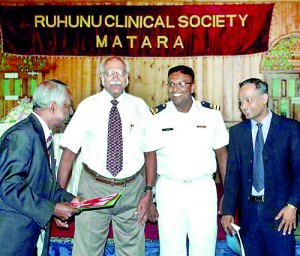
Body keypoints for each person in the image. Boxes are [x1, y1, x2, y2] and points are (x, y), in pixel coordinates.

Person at [57, 56, 161, 256]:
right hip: (94, 189)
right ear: (101, 78)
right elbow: (68, 154)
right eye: (110, 73)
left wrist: (149, 193)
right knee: (86, 251)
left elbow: (150, 153)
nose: (115, 77)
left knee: (133, 252)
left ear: (127, 79)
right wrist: (59, 195)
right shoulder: (87, 107)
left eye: (120, 72)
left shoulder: (140, 107)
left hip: (132, 190)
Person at [150, 65, 228, 256]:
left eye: (182, 84)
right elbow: (149, 157)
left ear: (192, 87)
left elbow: (222, 155)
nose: (175, 89)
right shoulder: (156, 117)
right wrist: (149, 194)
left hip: (202, 189)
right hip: (169, 189)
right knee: (170, 249)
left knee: (204, 247)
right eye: (171, 84)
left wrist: (228, 191)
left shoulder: (211, 115)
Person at [0, 79, 80, 256]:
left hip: (29, 234)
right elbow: (10, 187)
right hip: (12, 237)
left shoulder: (39, 134)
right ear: (52, 107)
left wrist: (68, 198)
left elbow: (42, 184)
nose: (71, 111)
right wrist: (52, 209)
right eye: (67, 106)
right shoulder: (22, 136)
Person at [221, 78, 300, 256]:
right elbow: (232, 175)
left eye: (249, 100)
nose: (243, 106)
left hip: (281, 216)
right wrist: (227, 210)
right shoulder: (237, 133)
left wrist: (293, 206)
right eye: (240, 101)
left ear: (264, 98)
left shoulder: (290, 129)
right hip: (248, 217)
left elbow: (299, 172)